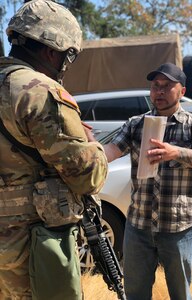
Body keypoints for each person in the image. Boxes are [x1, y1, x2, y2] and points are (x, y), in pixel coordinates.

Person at [0, 1, 108, 299]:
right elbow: (86, 176)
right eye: (66, 56)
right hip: (29, 255)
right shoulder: (39, 91)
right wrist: (95, 147)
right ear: (51, 50)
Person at [101, 63, 192, 300]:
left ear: (182, 92)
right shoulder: (136, 124)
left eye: (167, 86)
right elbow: (111, 150)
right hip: (138, 226)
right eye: (155, 86)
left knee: (180, 294)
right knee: (135, 294)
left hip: (177, 228)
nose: (159, 91)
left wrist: (175, 152)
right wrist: (89, 146)